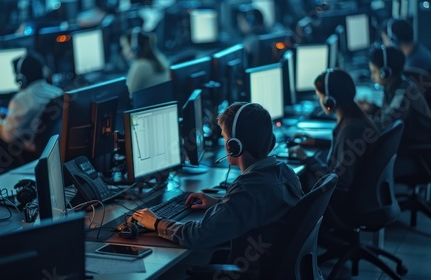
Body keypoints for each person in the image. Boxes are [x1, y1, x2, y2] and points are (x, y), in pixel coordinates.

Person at [132, 102, 304, 269]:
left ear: (234, 146)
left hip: (254, 271)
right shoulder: (285, 172)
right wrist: (221, 204)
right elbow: (260, 207)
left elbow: (199, 236)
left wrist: (156, 223)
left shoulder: (248, 189)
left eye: (225, 137)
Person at [288, 69, 380, 194]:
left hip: (343, 203)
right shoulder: (353, 119)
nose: (319, 101)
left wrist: (307, 158)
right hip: (360, 194)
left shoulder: (350, 129)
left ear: (329, 101)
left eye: (319, 97)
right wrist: (316, 142)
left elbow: (338, 181)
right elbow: (345, 147)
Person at [367, 45, 431, 177]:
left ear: (385, 72)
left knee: (364, 168)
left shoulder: (402, 94)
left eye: (374, 72)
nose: (372, 77)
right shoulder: (393, 85)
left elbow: (384, 126)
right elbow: (390, 115)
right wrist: (372, 109)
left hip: (418, 156)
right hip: (406, 148)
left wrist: (356, 118)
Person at [0, 53, 64, 153]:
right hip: (56, 150)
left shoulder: (22, 99)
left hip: (34, 153)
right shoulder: (58, 92)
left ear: (21, 79)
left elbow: (8, 136)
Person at [120, 27, 169, 98]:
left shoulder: (141, 66)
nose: (122, 51)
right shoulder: (160, 59)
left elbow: (128, 96)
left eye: (124, 46)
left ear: (134, 48)